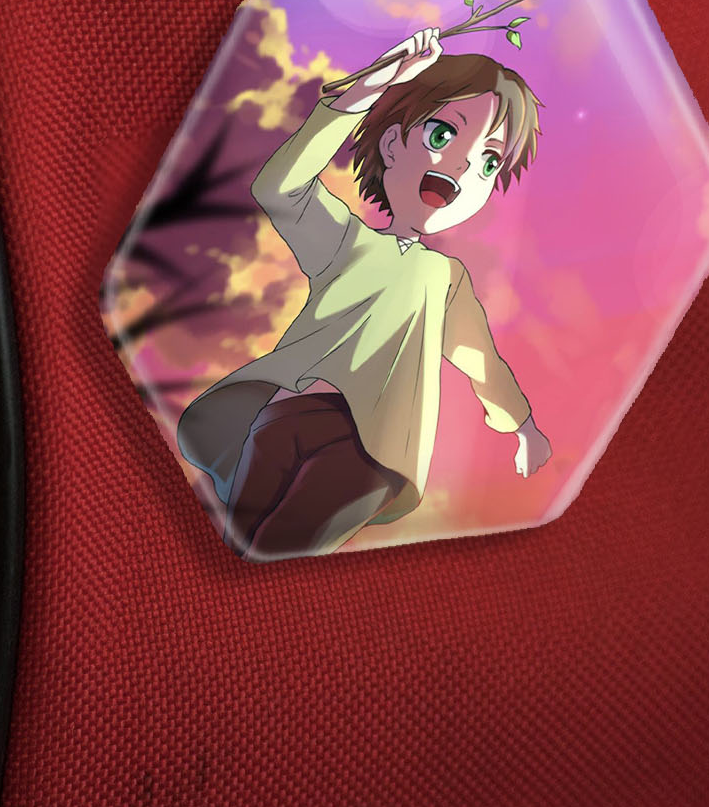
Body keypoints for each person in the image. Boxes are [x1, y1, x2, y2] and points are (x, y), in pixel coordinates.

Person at [177, 27, 552, 559]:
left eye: (489, 162)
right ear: (393, 144)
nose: (463, 165)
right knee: (236, 546)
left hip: (373, 451)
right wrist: (363, 93)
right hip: (283, 417)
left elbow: (481, 362)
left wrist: (522, 426)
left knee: (277, 552)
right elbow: (279, 187)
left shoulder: (446, 279)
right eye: (442, 134)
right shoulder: (345, 241)